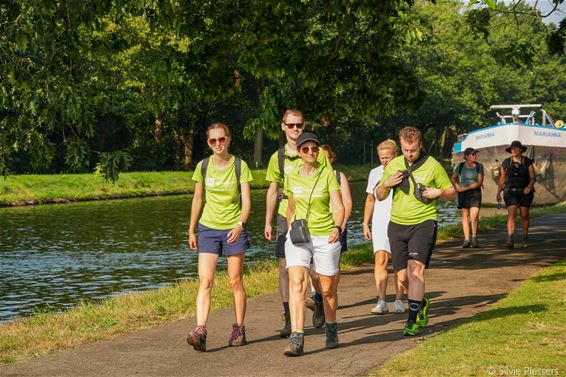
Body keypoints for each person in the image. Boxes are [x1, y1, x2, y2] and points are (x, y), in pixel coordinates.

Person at [376, 127, 455, 336]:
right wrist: (386, 183)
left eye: (413, 149)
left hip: (423, 222)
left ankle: (411, 321)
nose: (409, 153)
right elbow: (380, 195)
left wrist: (440, 192)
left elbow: (451, 193)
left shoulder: (433, 166)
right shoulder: (393, 164)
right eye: (405, 149)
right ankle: (420, 302)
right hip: (397, 224)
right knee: (402, 277)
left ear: (420, 144)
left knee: (415, 270)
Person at [186, 123, 253, 352]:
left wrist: (240, 224)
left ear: (228, 139)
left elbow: (246, 201)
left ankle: (239, 328)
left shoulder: (239, 165)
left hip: (233, 228)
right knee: (205, 281)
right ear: (208, 142)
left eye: (221, 139)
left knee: (235, 281)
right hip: (208, 228)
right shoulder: (203, 166)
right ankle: (200, 330)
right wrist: (191, 229)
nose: (217, 144)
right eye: (213, 140)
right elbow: (197, 199)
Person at [264, 110, 329, 337]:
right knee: (285, 268)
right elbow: (273, 190)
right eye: (290, 125)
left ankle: (318, 299)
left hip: (316, 218)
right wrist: (268, 221)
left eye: (299, 125)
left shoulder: (315, 152)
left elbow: (329, 185)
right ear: (283, 127)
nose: (295, 129)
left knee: (315, 271)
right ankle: (290, 317)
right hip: (288, 216)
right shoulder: (278, 157)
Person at [283, 132, 344, 356]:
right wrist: (290, 228)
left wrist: (337, 227)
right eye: (306, 149)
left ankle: (331, 329)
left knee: (327, 289)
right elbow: (291, 205)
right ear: (298, 152)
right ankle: (297, 338)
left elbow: (338, 206)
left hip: (324, 235)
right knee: (297, 284)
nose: (311, 153)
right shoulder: (290, 176)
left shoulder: (327, 174)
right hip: (299, 236)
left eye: (314, 149)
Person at [305, 144, 352, 325]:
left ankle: (328, 296)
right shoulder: (309, 176)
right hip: (314, 230)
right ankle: (319, 296)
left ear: (331, 159)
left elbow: (347, 202)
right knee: (313, 271)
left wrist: (340, 224)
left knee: (333, 267)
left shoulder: (338, 176)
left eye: (325, 157)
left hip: (336, 227)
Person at [362, 139, 405, 315]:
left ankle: (399, 300)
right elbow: (370, 199)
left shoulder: (403, 171)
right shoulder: (374, 173)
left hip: (399, 219)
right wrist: (365, 223)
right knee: (380, 260)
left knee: (398, 262)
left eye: (388, 157)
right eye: (382, 158)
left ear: (395, 155)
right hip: (379, 221)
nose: (385, 161)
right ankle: (381, 300)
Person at [496, 140, 536, 249]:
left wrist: (529, 187)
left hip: (525, 192)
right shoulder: (506, 162)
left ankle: (525, 237)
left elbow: (533, 177)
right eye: (511, 148)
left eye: (515, 148)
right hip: (510, 191)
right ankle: (510, 238)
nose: (513, 150)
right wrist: (498, 192)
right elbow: (502, 178)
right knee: (511, 215)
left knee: (524, 215)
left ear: (520, 150)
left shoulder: (527, 161)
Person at [450, 147, 484, 248]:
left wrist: (464, 188)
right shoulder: (460, 166)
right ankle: (466, 239)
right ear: (466, 156)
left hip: (475, 193)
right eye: (472, 154)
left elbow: (479, 183)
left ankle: (474, 238)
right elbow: (453, 178)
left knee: (474, 217)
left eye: (475, 154)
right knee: (465, 217)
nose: (475, 156)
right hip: (463, 195)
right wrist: (457, 187)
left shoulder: (479, 166)